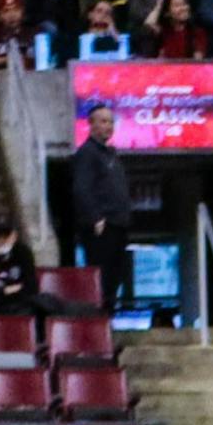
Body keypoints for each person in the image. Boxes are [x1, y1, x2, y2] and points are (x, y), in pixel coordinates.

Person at [69, 105, 131, 306]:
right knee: (102, 279)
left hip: (118, 224)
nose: (108, 126)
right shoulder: (87, 153)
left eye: (111, 121)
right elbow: (81, 188)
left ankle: (108, 316)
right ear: (92, 124)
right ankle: (99, 317)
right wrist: (96, 217)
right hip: (102, 226)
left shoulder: (110, 154)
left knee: (115, 277)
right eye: (103, 121)